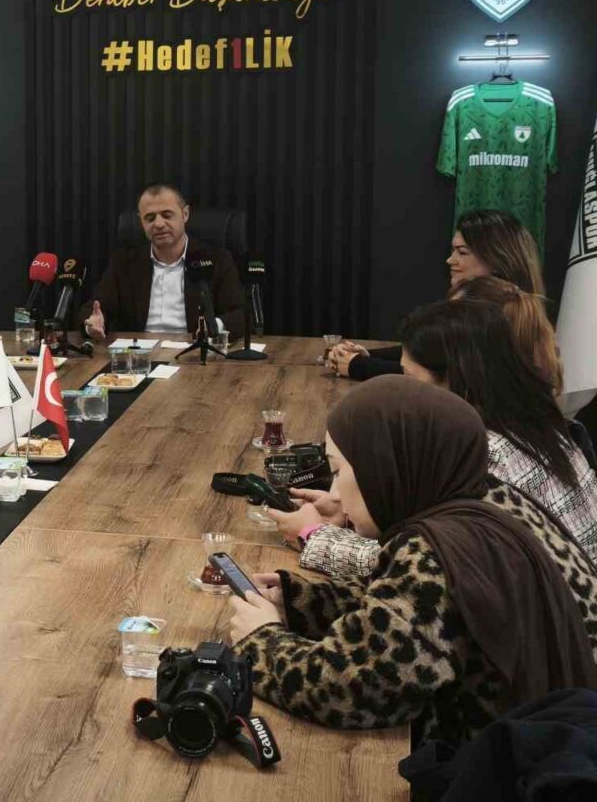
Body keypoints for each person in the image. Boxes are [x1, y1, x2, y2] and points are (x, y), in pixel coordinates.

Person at [227, 376, 597, 744]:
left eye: (339, 472)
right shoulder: (484, 497)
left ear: (386, 467)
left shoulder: (435, 554)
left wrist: (261, 641)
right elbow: (402, 609)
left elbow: (352, 690)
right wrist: (303, 604)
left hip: (513, 761)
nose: (335, 494)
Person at [273, 299, 597, 575]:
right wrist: (352, 512)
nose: (402, 390)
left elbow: (428, 571)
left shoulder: (482, 456)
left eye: (409, 377)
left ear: (454, 378)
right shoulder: (542, 426)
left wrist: (312, 534)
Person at [328, 208, 545, 379]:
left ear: (497, 259)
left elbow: (445, 377)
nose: (450, 260)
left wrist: (359, 365)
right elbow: (432, 352)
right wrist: (366, 356)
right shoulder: (496, 307)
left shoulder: (500, 314)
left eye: (461, 252)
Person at [81, 183, 244, 340]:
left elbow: (239, 314)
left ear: (185, 214)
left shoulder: (216, 259)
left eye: (167, 215)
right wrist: (93, 323)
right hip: (140, 353)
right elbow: (94, 308)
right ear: (141, 221)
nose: (158, 224)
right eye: (150, 218)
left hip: (193, 349)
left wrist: (213, 326)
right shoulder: (124, 263)